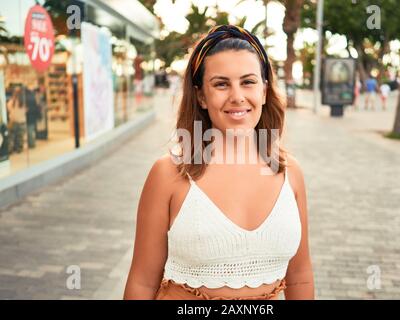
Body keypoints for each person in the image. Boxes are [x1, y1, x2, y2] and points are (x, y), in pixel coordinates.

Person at [124, 25, 314, 300]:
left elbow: (300, 278)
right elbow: (142, 283)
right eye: (221, 84)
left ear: (263, 90)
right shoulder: (169, 174)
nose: (237, 96)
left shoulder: (289, 172)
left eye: (248, 82)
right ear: (201, 95)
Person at [6, 85, 27, 153]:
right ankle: (19, 149)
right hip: (22, 121)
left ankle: (10, 150)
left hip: (13, 121)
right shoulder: (23, 102)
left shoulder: (11, 102)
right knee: (20, 137)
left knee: (11, 137)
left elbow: (8, 109)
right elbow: (26, 110)